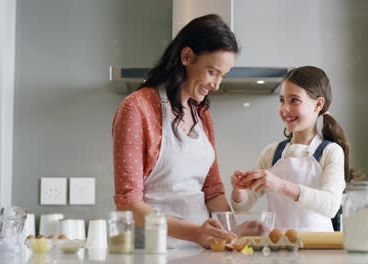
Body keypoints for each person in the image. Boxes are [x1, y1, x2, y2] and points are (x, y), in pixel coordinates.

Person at [112, 14, 239, 248]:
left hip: (203, 249)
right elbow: (128, 202)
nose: (217, 85)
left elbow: (212, 191)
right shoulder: (137, 108)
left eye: (223, 75)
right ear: (187, 56)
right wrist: (194, 233)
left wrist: (235, 231)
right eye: (212, 72)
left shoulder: (202, 115)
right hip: (154, 250)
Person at [230, 66, 352, 232]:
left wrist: (282, 186)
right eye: (282, 100)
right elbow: (243, 206)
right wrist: (239, 189)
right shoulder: (271, 153)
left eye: (294, 100)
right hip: (278, 247)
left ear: (318, 104)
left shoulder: (330, 152)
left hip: (318, 249)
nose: (285, 109)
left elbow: (330, 206)